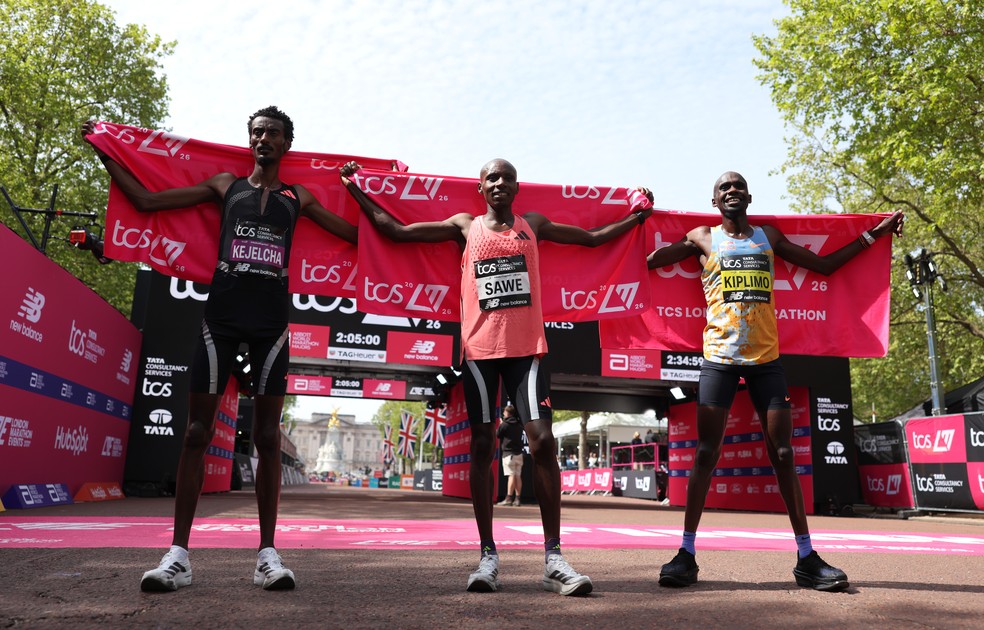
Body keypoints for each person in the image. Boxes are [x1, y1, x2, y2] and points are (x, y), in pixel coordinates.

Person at [341, 158, 652, 596]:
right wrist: (356, 188)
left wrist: (636, 216)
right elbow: (396, 232)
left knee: (542, 441)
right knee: (483, 442)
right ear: (481, 188)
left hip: (528, 350)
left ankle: (553, 557)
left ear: (517, 187)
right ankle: (488, 554)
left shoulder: (534, 224)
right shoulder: (465, 226)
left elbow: (593, 239)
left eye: (506, 177)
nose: (499, 183)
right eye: (491, 177)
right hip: (480, 351)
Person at [82, 106, 358, 592]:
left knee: (269, 438)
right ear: (248, 140)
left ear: (286, 143)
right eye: (256, 133)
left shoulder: (300, 197)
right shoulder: (225, 186)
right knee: (194, 431)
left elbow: (358, 238)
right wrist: (106, 152)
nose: (262, 139)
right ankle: (178, 555)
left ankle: (268, 555)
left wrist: (359, 191)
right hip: (222, 318)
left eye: (272, 133)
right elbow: (147, 202)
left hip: (271, 321)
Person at [647, 171, 904, 592]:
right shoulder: (701, 238)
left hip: (766, 360)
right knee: (706, 453)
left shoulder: (768, 237)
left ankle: (806, 557)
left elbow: (823, 267)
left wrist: (874, 234)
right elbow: (645, 264)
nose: (732, 191)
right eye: (723, 187)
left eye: (738, 186)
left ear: (749, 196)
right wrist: (633, 222)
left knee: (783, 452)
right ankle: (686, 554)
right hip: (719, 360)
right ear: (715, 200)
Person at [495, 404, 525, 506]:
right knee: (518, 476)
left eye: (504, 412)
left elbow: (497, 434)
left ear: (507, 413)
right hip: (519, 454)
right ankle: (517, 499)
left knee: (511, 475)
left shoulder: (504, 425)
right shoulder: (519, 425)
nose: (503, 413)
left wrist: (501, 424)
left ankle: (508, 498)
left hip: (509, 454)